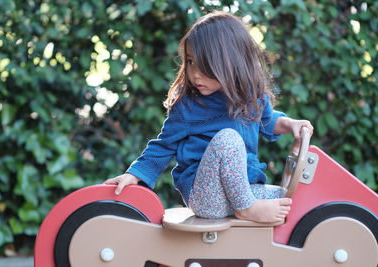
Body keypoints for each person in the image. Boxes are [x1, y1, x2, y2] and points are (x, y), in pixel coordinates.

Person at [104, 11, 313, 223]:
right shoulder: (188, 104)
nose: (195, 74)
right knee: (229, 139)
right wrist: (135, 174)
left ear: (231, 63)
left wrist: (290, 124)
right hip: (207, 197)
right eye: (191, 62)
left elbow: (267, 120)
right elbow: (163, 145)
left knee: (286, 200)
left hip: (243, 192)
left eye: (204, 66)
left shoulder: (249, 95)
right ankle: (247, 208)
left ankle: (253, 215)